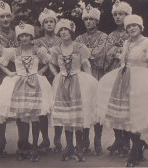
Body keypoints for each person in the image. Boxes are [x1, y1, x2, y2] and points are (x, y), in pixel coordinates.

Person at [96, 14, 148, 167]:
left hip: (140, 80)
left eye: (135, 25)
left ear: (140, 27)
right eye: (129, 26)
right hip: (123, 79)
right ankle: (138, 147)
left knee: (135, 115)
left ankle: (134, 152)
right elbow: (123, 62)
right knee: (125, 115)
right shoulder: (127, 43)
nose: (132, 28)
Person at [0, 23, 52, 162]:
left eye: (26, 35)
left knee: (35, 116)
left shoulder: (38, 50)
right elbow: (0, 62)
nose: (24, 38)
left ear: (31, 37)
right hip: (19, 84)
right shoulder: (14, 51)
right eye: (21, 36)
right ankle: (23, 148)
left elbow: (49, 61)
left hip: (36, 84)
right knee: (23, 117)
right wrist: (9, 72)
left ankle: (35, 149)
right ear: (18, 38)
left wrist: (41, 71)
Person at [49, 19, 98, 162]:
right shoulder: (56, 49)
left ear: (71, 32)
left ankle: (79, 147)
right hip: (63, 82)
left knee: (78, 114)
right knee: (67, 115)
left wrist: (89, 82)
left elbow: (86, 65)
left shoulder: (79, 47)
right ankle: (69, 146)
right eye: (61, 31)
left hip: (78, 81)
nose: (64, 32)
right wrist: (56, 75)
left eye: (66, 30)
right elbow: (51, 63)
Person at [75, 4, 107, 155]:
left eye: (91, 19)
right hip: (83, 76)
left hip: (98, 74)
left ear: (97, 21)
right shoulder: (79, 38)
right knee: (85, 106)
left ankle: (98, 140)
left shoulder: (103, 37)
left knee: (97, 106)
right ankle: (85, 139)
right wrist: (86, 56)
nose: (88, 22)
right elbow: (77, 57)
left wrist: (86, 55)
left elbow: (100, 55)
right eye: (86, 19)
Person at [0, 0, 18, 157]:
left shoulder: (17, 33)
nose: (6, 19)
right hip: (3, 73)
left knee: (19, 104)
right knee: (2, 105)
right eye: (2, 17)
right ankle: (2, 140)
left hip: (18, 71)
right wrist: (7, 73)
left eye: (8, 16)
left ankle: (23, 141)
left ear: (11, 16)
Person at [104, 0, 132, 156]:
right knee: (114, 107)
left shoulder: (133, 32)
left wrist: (118, 51)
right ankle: (118, 139)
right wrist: (119, 51)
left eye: (121, 14)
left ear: (127, 15)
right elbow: (107, 53)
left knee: (126, 108)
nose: (117, 17)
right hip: (113, 73)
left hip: (128, 74)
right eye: (115, 14)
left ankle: (127, 141)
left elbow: (132, 52)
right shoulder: (112, 35)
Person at [34, 8, 63, 153]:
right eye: (46, 22)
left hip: (59, 75)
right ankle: (45, 138)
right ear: (42, 25)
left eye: (52, 21)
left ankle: (57, 138)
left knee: (58, 107)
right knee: (43, 108)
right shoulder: (37, 42)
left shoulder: (62, 39)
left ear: (55, 23)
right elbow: (39, 59)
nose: (49, 24)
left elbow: (63, 57)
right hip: (43, 77)